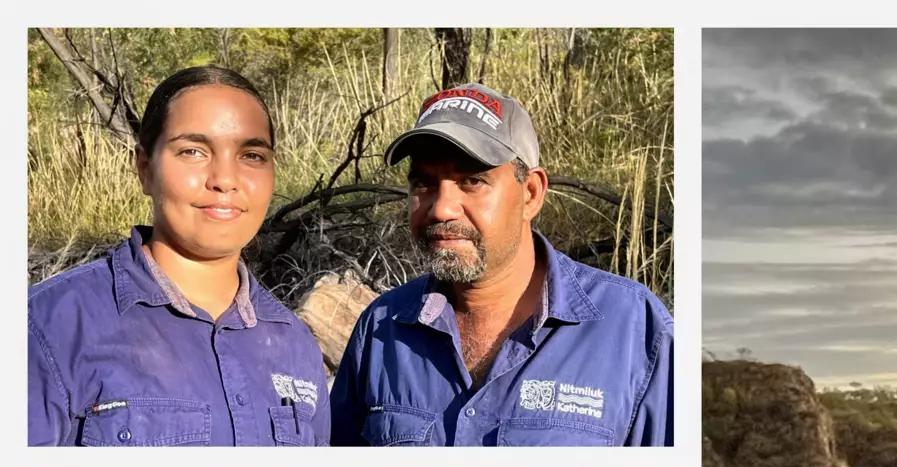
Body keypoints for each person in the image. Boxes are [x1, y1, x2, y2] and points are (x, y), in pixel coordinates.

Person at [330, 83, 672, 445]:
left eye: (473, 181)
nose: (442, 208)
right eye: (424, 184)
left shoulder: (635, 329)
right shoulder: (382, 329)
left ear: (531, 194)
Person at [28, 66, 329, 446]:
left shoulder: (295, 344)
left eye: (251, 155)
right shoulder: (49, 326)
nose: (224, 179)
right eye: (193, 151)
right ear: (145, 169)